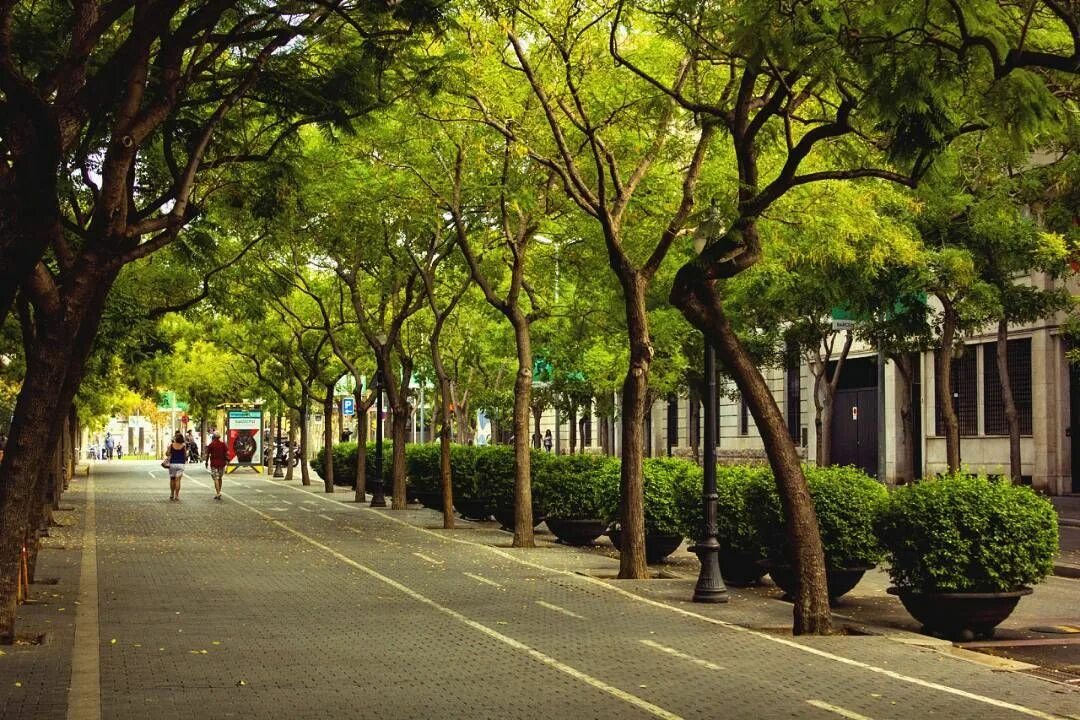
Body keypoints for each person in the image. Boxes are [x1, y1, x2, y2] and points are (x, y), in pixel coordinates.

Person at [204, 431, 229, 500]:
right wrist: (227, 460)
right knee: (220, 478)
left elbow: (208, 455)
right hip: (222, 463)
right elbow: (227, 453)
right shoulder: (223, 444)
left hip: (214, 464)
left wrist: (206, 462)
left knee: (215, 478)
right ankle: (219, 492)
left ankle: (218, 493)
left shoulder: (211, 444)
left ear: (213, 437)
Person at [165, 432, 189, 501]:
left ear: (176, 439)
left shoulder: (172, 445)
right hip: (181, 464)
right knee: (178, 480)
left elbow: (167, 454)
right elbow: (185, 455)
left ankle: (172, 494)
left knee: (172, 479)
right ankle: (177, 495)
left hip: (173, 464)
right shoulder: (183, 446)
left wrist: (170, 451)